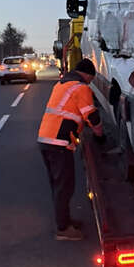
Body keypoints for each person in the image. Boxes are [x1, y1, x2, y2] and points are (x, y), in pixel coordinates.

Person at [37, 58, 105, 240]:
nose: (90, 82)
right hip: (58, 143)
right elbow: (92, 115)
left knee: (58, 186)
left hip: (46, 139)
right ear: (88, 75)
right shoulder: (81, 87)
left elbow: (72, 110)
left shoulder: (62, 84)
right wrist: (100, 135)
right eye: (91, 78)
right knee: (64, 187)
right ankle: (63, 229)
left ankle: (65, 221)